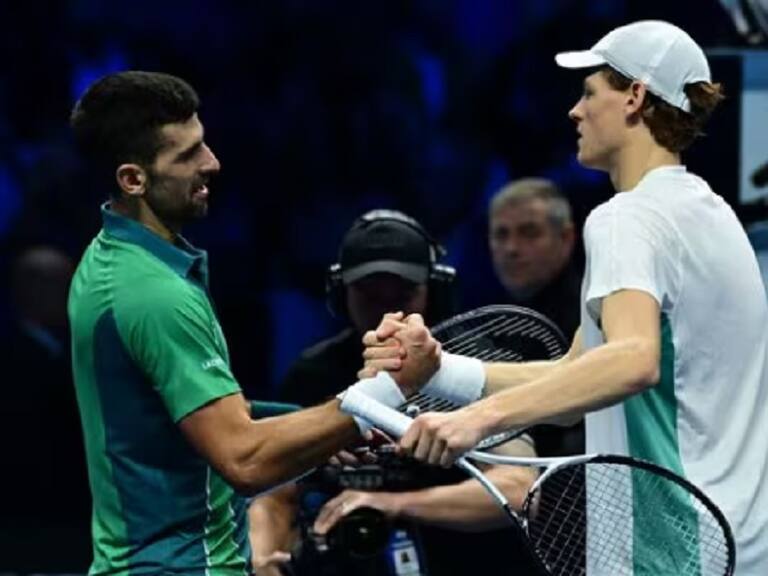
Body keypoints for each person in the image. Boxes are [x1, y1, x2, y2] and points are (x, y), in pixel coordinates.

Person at [358, 20, 768, 574]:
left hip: (670, 553)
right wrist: (436, 373)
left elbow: (632, 361)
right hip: (737, 548)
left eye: (589, 92)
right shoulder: (714, 218)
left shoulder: (628, 218)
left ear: (635, 97)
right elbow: (581, 369)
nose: (575, 111)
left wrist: (478, 420)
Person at [67, 70, 428, 576]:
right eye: (187, 155)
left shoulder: (112, 260)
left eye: (204, 143)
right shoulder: (151, 294)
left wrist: (322, 428)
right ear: (133, 179)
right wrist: (381, 395)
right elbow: (245, 459)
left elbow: (200, 416)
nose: (211, 162)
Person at [253, 210, 541, 575]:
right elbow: (277, 494)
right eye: (369, 296)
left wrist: (393, 504)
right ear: (341, 295)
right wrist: (262, 558)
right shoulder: (312, 373)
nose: (386, 314)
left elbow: (518, 491)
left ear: (435, 291)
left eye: (403, 295)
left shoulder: (475, 370)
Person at [0, 246, 91, 573]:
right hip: (31, 521)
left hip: (67, 519)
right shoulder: (11, 362)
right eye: (67, 286)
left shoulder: (67, 353)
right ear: (33, 289)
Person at [488, 178, 583, 456]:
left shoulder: (596, 315)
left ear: (566, 238)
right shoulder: (491, 324)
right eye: (501, 235)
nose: (512, 248)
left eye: (529, 233)